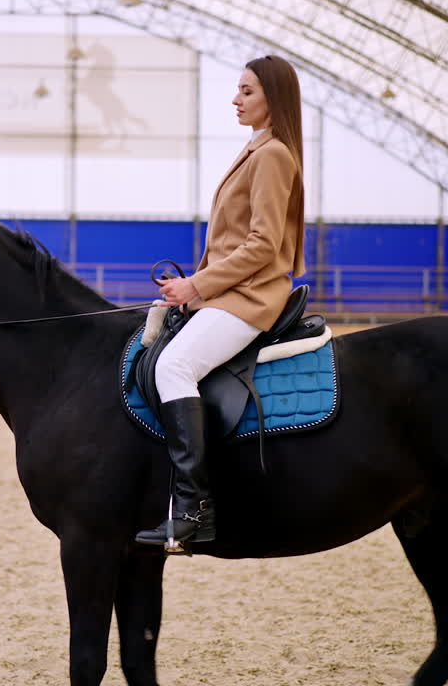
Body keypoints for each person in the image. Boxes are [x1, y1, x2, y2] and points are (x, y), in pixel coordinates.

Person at [135, 55, 307, 548]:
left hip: (251, 298)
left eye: (247, 91)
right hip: (227, 291)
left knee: (174, 367)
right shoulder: (255, 150)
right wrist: (195, 287)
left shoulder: (274, 155)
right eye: (238, 90)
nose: (236, 99)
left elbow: (263, 244)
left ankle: (194, 509)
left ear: (273, 98)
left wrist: (198, 286)